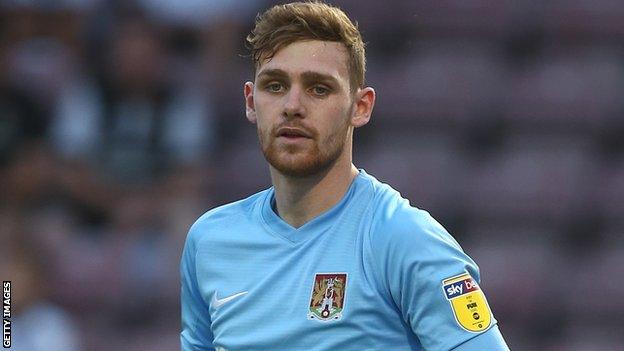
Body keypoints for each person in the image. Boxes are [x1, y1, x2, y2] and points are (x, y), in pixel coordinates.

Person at [181, 2, 510, 350]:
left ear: (360, 107)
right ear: (250, 101)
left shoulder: (404, 239)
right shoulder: (209, 241)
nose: (292, 105)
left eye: (318, 89)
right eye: (275, 86)